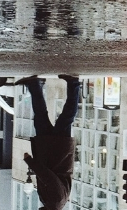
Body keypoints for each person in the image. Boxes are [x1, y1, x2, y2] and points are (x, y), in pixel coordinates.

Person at [18, 74, 81, 210]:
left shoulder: (53, 203)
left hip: (48, 149)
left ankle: (34, 85)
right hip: (59, 150)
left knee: (41, 116)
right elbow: (49, 178)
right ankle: (74, 83)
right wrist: (30, 161)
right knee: (66, 117)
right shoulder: (55, 201)